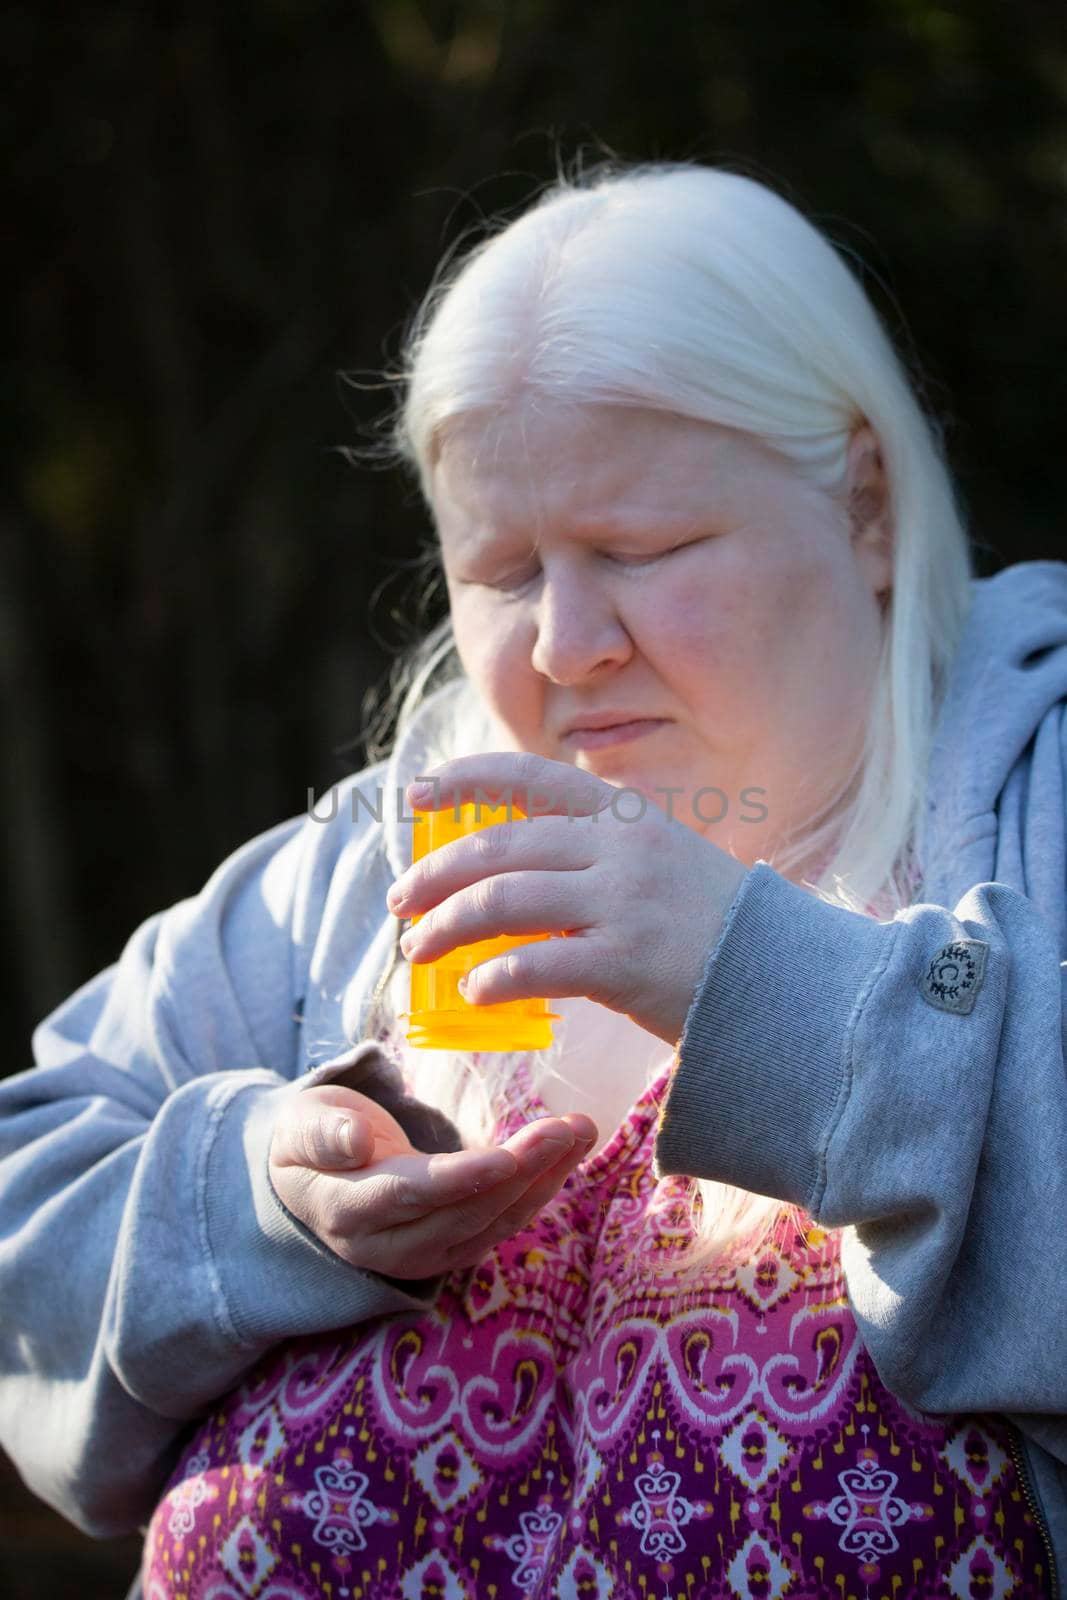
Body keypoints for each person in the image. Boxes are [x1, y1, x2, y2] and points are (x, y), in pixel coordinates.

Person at [1, 159, 1065, 1600]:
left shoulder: (1032, 797)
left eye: (649, 547)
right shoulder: (375, 869)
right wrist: (254, 1192)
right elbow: (30, 1199)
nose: (566, 647)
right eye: (503, 571)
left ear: (866, 505)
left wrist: (786, 1000)